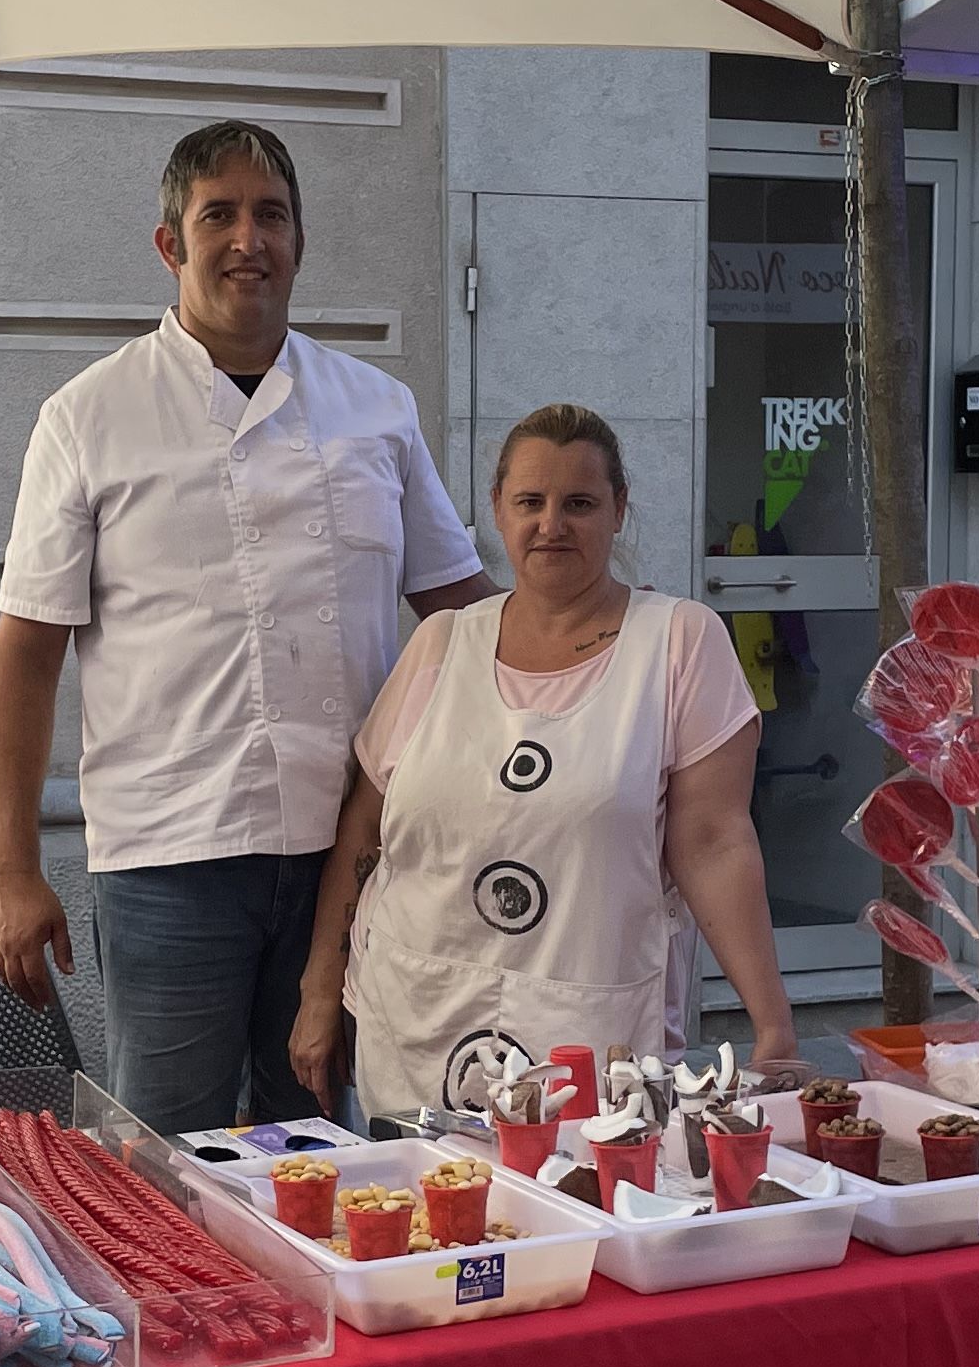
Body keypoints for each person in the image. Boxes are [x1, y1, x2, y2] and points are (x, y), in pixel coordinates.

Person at [0, 120, 488, 1131]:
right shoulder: (88, 416)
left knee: (324, 1136)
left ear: (301, 241)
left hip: (352, 850)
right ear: (171, 244)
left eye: (271, 216)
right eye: (219, 216)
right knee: (172, 1153)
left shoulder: (377, 409)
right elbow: (25, 661)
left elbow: (467, 616)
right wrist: (13, 872)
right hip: (172, 856)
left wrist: (612, 665)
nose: (247, 240)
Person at [290, 404, 796, 1118]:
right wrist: (320, 989)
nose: (552, 525)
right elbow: (363, 833)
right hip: (417, 1026)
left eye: (580, 504)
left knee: (581, 1220)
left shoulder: (680, 644)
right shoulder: (440, 644)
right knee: (425, 1220)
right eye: (530, 501)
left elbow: (715, 844)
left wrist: (772, 1025)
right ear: (497, 509)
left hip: (595, 1041)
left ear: (619, 510)